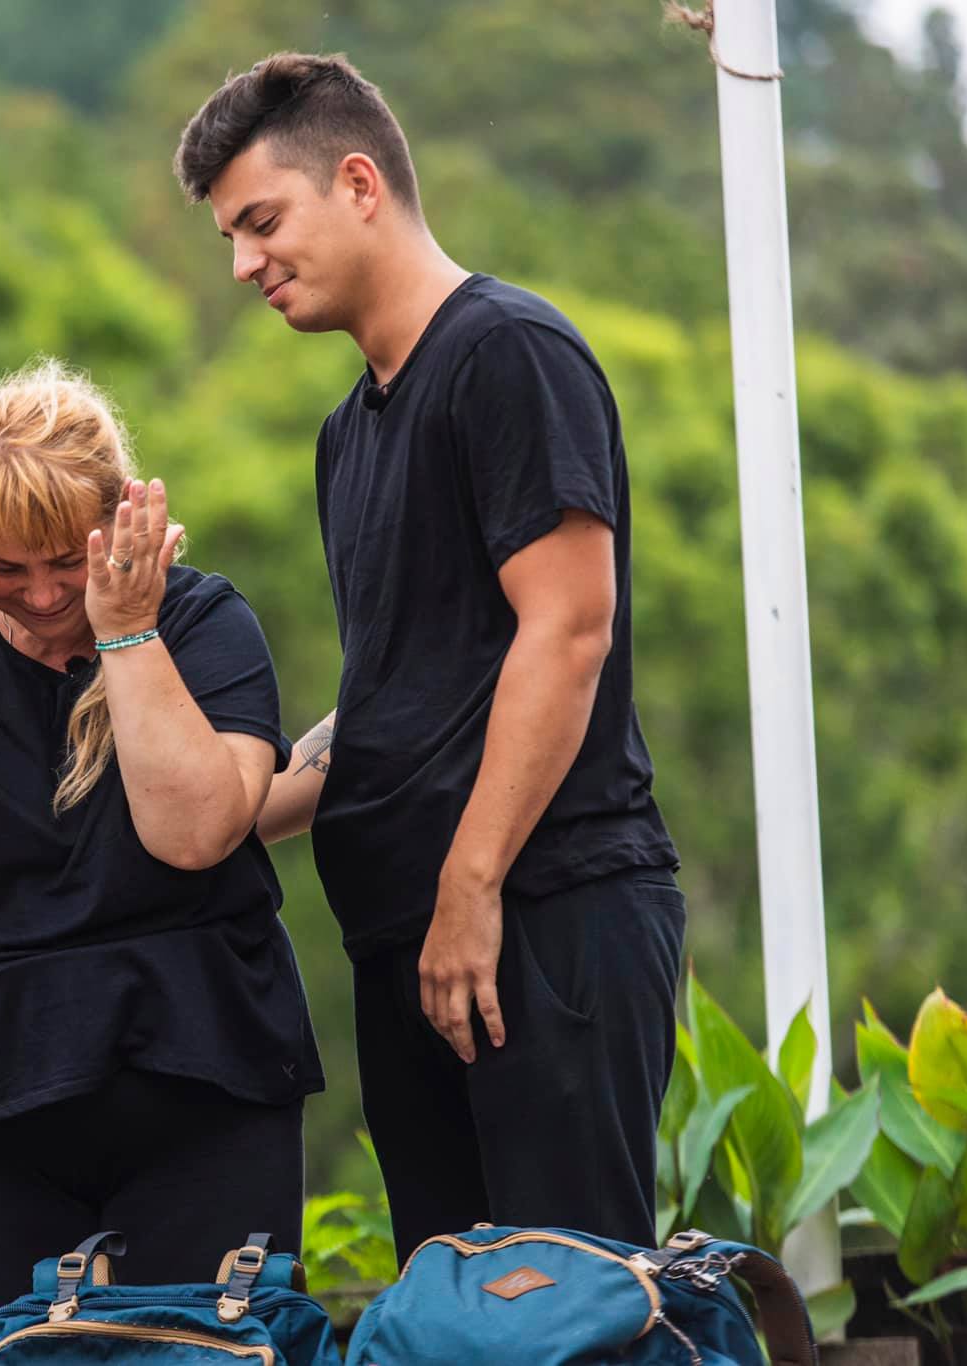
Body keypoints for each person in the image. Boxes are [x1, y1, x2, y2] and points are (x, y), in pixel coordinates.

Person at [175, 54, 686, 1259]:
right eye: (230, 237)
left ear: (358, 184)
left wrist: (469, 888)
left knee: (562, 1310)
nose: (243, 263)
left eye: (260, 221)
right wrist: (209, 804)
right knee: (450, 1313)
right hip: (413, 939)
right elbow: (393, 700)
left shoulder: (507, 351)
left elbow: (567, 628)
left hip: (536, 914)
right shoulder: (345, 435)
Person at [0, 359, 323, 1358]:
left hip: (201, 1083)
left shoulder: (200, 621)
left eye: (67, 560)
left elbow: (195, 832)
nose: (43, 594)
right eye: (6, 569)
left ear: (120, 515)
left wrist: (127, 633)